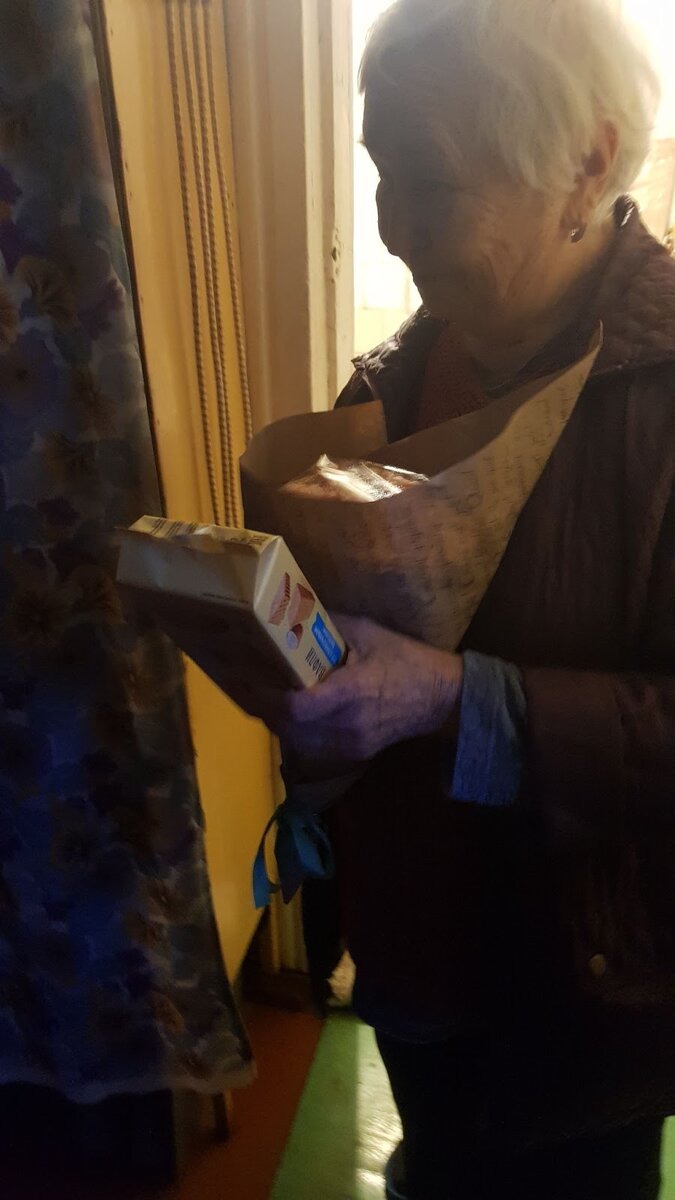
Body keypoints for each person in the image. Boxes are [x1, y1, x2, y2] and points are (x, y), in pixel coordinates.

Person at [163, 0, 675, 1196]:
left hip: (583, 989)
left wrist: (454, 700)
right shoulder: (398, 374)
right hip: (406, 942)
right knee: (436, 1163)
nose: (391, 226)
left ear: (588, 160)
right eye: (380, 170)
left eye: (430, 182)